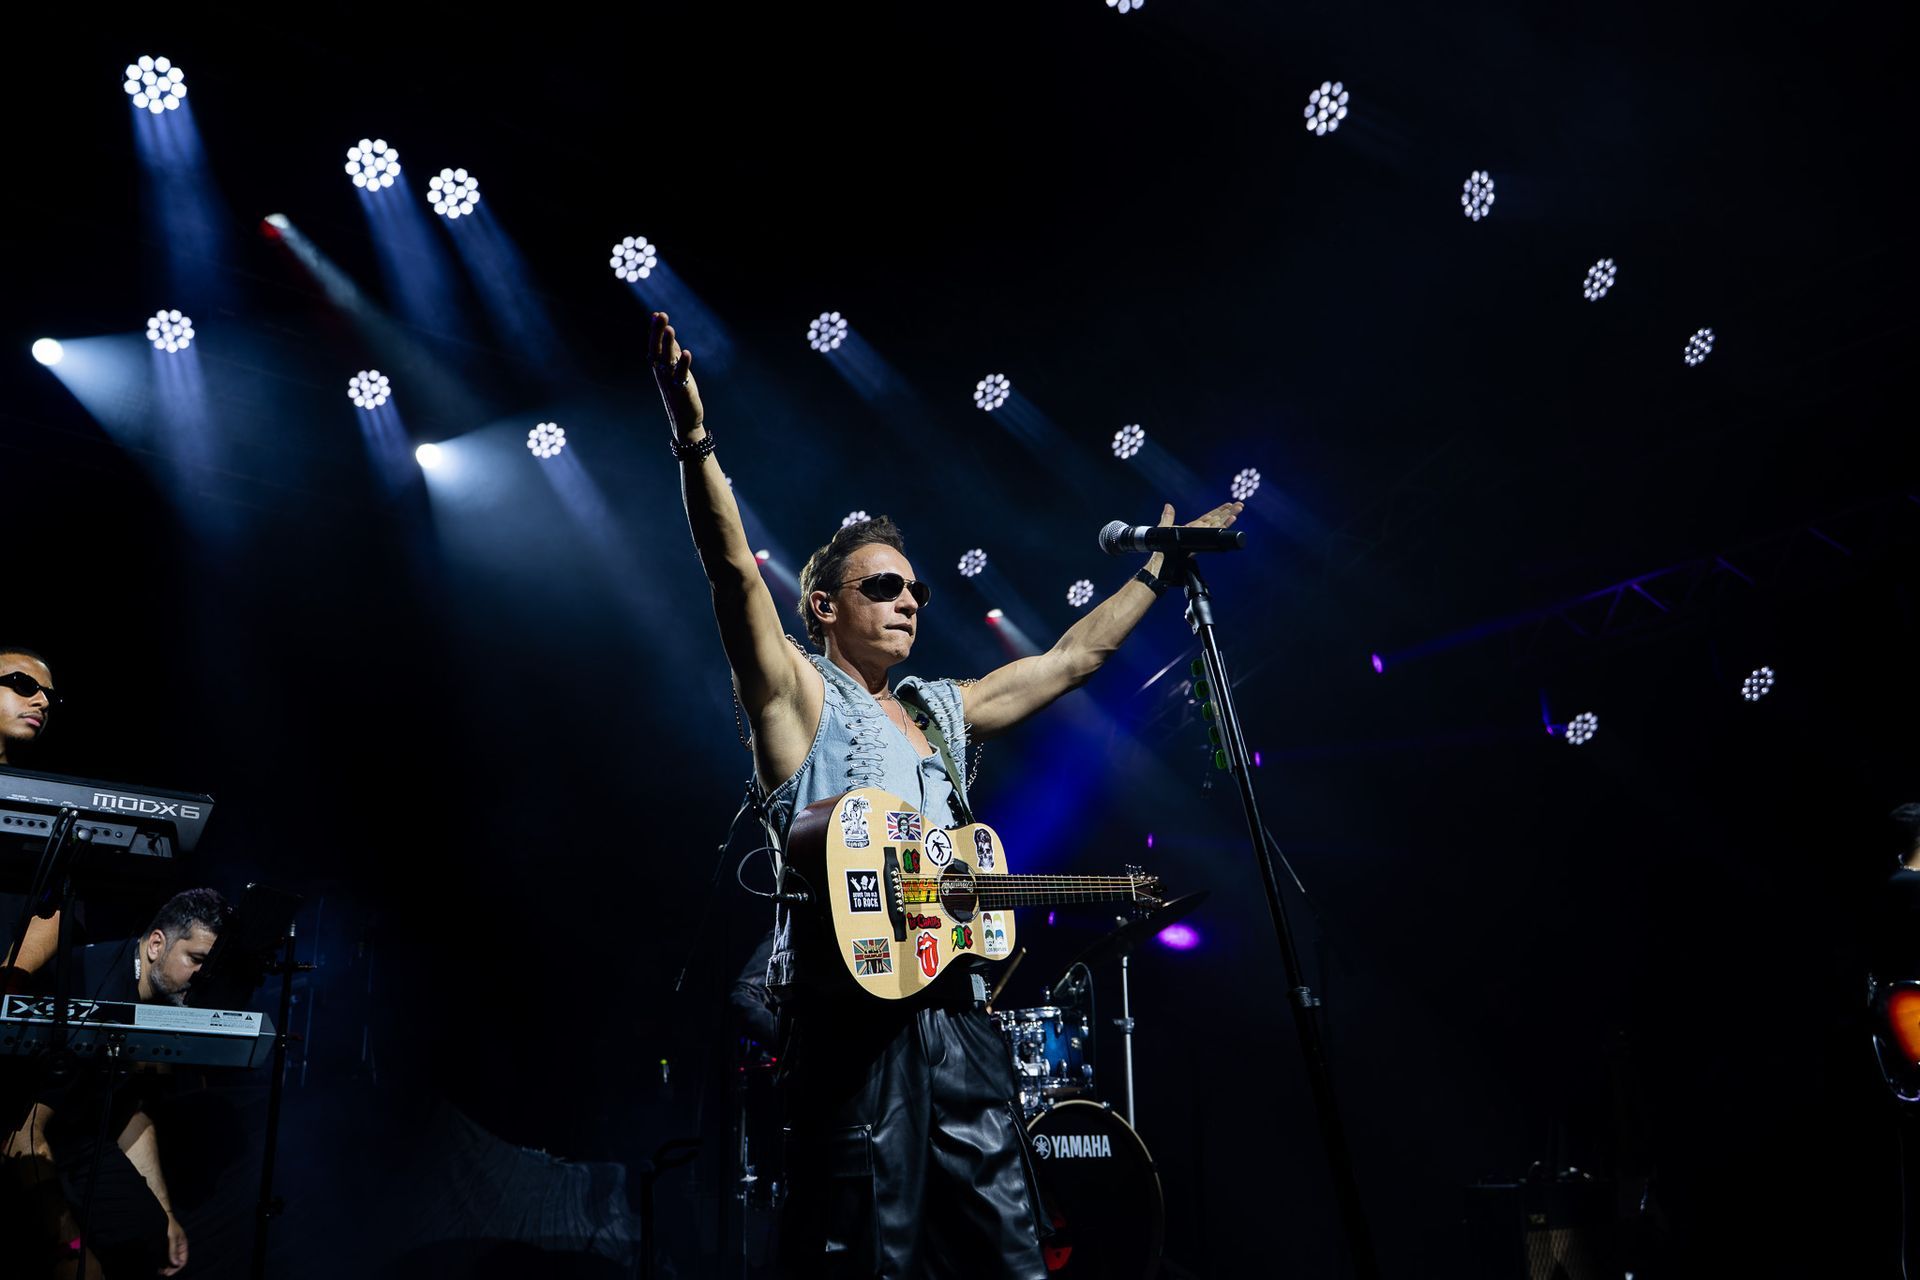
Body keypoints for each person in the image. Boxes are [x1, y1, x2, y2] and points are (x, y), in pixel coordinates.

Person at [647, 310, 1239, 1277]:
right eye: (883, 587)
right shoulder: (800, 694)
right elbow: (728, 575)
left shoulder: (938, 711)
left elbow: (1072, 658)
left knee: (1008, 1257)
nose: (910, 600)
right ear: (826, 607)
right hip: (851, 1028)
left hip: (959, 1025)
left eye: (915, 589)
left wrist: (1158, 574)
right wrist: (693, 437)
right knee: (864, 1262)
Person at [1, 887, 227, 1277]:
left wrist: (167, 1215)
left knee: (149, 1236)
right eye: (195, 959)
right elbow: (21, 1131)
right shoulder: (96, 988)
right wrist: (69, 1248)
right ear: (157, 944)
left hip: (80, 1133)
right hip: (24, 1134)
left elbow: (128, 1111)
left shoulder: (156, 1004)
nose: (200, 976)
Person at [1, 647, 65, 991]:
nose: (42, 701)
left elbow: (59, 903)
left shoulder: (48, 802)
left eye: (50, 697)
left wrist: (10, 976)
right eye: (23, 685)